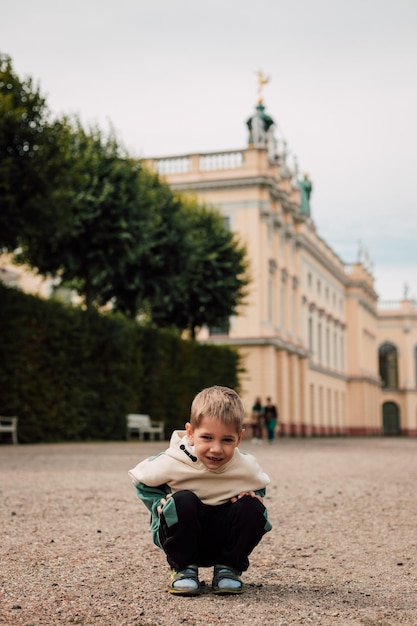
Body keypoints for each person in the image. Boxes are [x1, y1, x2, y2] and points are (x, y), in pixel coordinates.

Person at [129, 385, 272, 596]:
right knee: (183, 500)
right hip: (181, 536)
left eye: (227, 440)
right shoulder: (173, 460)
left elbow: (259, 485)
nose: (216, 448)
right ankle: (184, 569)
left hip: (223, 539)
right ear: (190, 433)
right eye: (207, 437)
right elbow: (141, 479)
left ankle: (228, 569)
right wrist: (157, 503)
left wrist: (253, 496)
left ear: (239, 439)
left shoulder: (245, 465)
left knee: (252, 508)